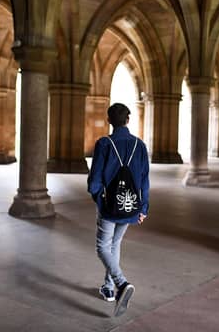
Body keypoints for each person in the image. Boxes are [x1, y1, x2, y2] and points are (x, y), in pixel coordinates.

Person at [87, 103, 150, 317]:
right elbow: (144, 180)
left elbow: (94, 181)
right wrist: (143, 207)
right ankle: (108, 289)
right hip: (130, 205)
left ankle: (121, 284)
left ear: (109, 121)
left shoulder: (104, 144)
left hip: (110, 206)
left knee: (102, 247)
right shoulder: (139, 146)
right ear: (128, 120)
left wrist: (100, 201)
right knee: (115, 244)